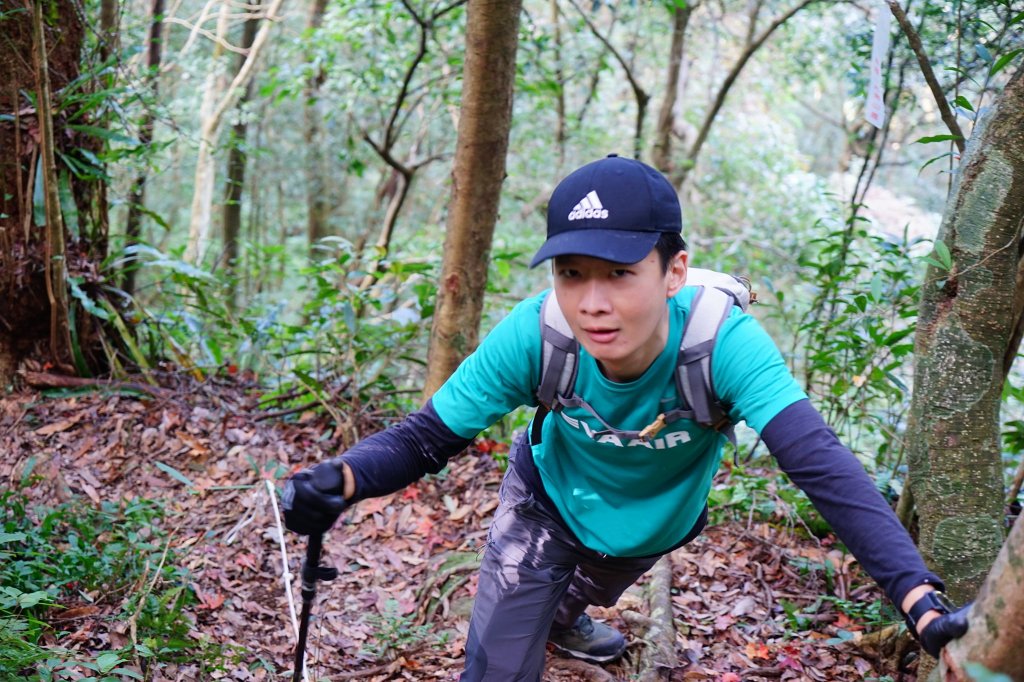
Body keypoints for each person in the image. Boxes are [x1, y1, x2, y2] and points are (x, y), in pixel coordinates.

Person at [282, 155, 970, 680]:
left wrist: (917, 597)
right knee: (496, 661)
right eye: (572, 273)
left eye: (618, 273)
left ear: (674, 272)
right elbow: (428, 437)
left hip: (653, 524)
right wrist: (341, 481)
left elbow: (819, 465)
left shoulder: (720, 343)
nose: (592, 303)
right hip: (547, 504)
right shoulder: (538, 334)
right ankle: (538, 614)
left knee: (581, 591)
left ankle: (565, 616)